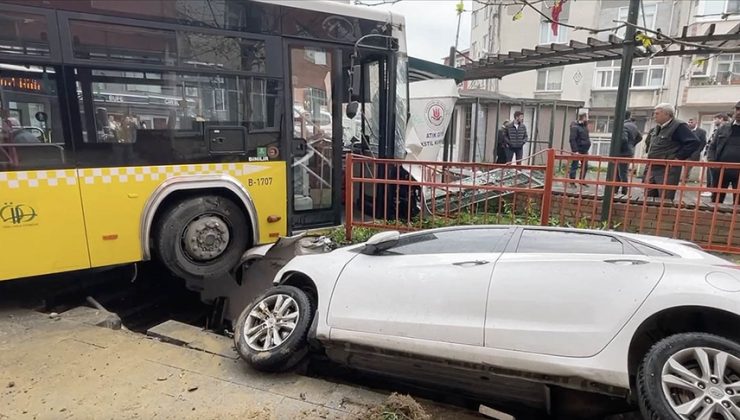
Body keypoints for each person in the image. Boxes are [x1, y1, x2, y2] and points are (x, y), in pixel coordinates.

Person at [644, 103, 701, 201]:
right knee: (648, 198)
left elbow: (694, 142)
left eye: (657, 114)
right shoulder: (657, 128)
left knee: (665, 198)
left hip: (667, 169)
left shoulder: (678, 126)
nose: (654, 116)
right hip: (653, 167)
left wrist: (678, 158)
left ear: (667, 114)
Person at [707, 101, 740, 205]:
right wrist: (712, 163)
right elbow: (712, 146)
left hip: (739, 172)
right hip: (721, 170)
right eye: (737, 109)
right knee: (716, 200)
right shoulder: (724, 128)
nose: (739, 112)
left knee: (738, 203)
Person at [615, 111, 643, 195]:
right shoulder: (633, 125)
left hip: (622, 153)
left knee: (621, 172)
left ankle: (624, 191)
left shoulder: (622, 126)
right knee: (620, 172)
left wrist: (618, 149)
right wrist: (631, 145)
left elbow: (623, 139)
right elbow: (640, 137)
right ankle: (616, 190)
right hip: (629, 152)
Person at [703, 113, 728, 196]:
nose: (714, 121)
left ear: (721, 119)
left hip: (717, 158)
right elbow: (711, 144)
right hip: (711, 156)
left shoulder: (724, 129)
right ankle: (709, 189)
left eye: (715, 119)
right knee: (710, 173)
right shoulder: (717, 129)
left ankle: (711, 190)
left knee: (713, 175)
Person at [568, 110, 591, 182]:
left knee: (585, 166)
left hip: (584, 150)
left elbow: (586, 137)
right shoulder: (575, 126)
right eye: (586, 117)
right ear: (583, 117)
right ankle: (572, 181)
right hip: (578, 149)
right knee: (574, 165)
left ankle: (582, 181)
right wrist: (575, 151)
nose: (587, 118)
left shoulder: (584, 125)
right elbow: (572, 139)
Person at [684, 118, 707, 184]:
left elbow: (703, 142)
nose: (690, 123)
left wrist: (698, 151)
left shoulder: (701, 132)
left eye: (691, 122)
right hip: (684, 152)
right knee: (683, 167)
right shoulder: (686, 130)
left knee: (687, 167)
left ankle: (684, 181)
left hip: (694, 153)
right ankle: (683, 180)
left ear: (696, 122)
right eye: (689, 122)